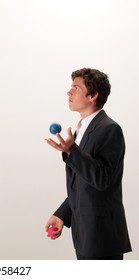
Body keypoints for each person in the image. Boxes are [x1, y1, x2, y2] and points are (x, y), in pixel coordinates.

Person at [44, 68, 132, 260]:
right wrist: (62, 215)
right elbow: (84, 186)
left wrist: (71, 151)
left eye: (76, 87)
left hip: (102, 238)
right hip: (85, 236)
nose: (69, 92)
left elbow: (102, 180)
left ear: (93, 95)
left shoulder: (110, 129)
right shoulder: (81, 129)